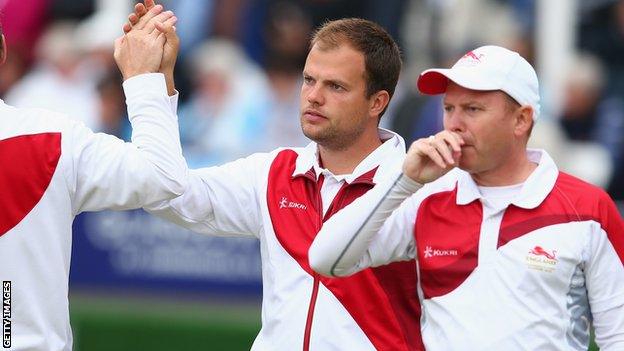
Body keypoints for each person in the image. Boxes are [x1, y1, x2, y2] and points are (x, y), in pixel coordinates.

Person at [131, 4, 423, 349]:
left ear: (378, 102)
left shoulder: (418, 188)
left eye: (336, 87)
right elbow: (169, 195)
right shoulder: (275, 172)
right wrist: (154, 78)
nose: (314, 96)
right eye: (309, 80)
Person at [309, 45, 624, 350]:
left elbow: (618, 335)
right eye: (449, 108)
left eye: (472, 109)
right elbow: (326, 260)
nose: (454, 124)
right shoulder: (425, 197)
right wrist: (404, 180)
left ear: (521, 120)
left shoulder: (588, 208)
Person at [0, 7, 185, 351]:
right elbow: (164, 176)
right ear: (3, 51)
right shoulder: (50, 138)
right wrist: (145, 77)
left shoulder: (50, 138)